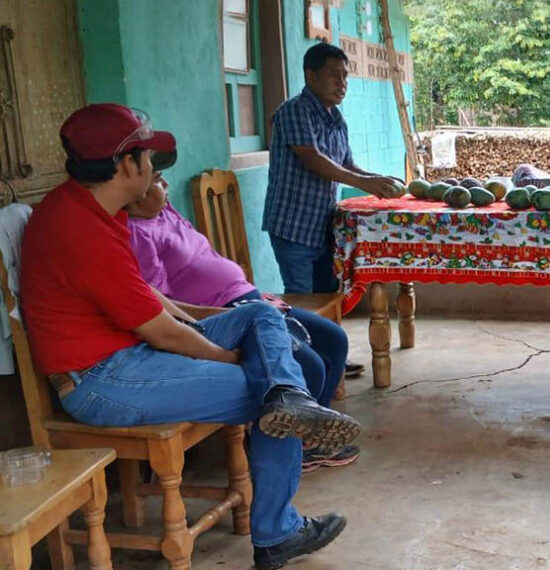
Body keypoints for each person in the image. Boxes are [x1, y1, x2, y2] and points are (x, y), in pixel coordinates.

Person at [21, 103, 362, 570]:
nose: (154, 170)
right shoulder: (81, 231)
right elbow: (163, 334)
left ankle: (286, 394)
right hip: (101, 380)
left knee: (260, 316)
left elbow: (149, 298)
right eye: (149, 158)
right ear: (126, 166)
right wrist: (226, 356)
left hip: (129, 353)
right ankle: (277, 531)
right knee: (271, 399)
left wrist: (213, 320)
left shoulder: (90, 208)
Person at [127, 172, 359, 473]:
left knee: (334, 339)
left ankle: (313, 433)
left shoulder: (166, 212)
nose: (167, 184)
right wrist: (217, 314)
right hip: (224, 313)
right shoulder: (137, 234)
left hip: (250, 298)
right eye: (158, 180)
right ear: (137, 193)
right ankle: (296, 448)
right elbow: (163, 302)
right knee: (310, 365)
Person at [263, 42, 402, 295]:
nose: (342, 83)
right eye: (334, 75)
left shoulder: (337, 119)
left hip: (323, 227)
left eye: (345, 76)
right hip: (293, 226)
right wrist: (366, 184)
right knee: (302, 298)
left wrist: (378, 179)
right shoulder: (295, 110)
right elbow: (312, 159)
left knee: (328, 294)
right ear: (310, 75)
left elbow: (347, 165)